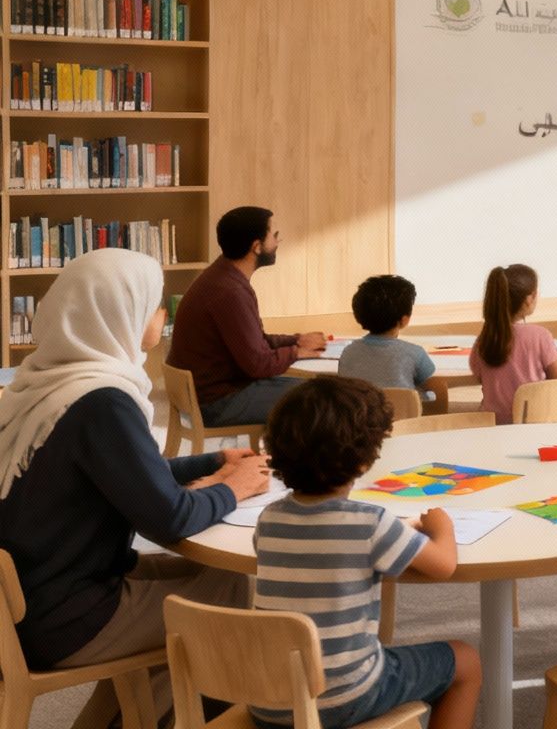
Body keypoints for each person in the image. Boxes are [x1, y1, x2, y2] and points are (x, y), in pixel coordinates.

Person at [0, 248, 271, 726]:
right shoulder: (102, 401)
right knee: (221, 604)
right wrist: (236, 487)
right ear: (119, 312)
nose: (164, 314)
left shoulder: (47, 381)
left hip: (33, 595)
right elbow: (169, 518)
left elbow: (117, 476)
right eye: (156, 303)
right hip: (67, 614)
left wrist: (211, 462)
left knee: (223, 580)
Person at [254, 376, 479, 729]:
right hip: (344, 698)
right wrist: (441, 527)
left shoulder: (269, 520)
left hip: (269, 699)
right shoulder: (371, 523)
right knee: (465, 661)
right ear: (363, 462)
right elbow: (443, 565)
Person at [168, 205, 327, 425]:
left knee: (316, 391)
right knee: (324, 401)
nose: (277, 242)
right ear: (257, 246)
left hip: (208, 393)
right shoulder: (230, 292)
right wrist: (296, 352)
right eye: (274, 235)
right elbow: (257, 364)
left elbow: (254, 342)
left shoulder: (221, 276)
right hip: (217, 402)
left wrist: (296, 340)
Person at [468, 264, 557, 426]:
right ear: (530, 298)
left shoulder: (483, 341)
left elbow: (480, 376)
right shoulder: (540, 336)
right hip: (535, 425)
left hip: (494, 427)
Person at [337, 274, 437, 407]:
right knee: (431, 393)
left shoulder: (348, 351)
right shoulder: (415, 353)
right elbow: (433, 385)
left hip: (360, 419)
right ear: (404, 320)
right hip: (405, 419)